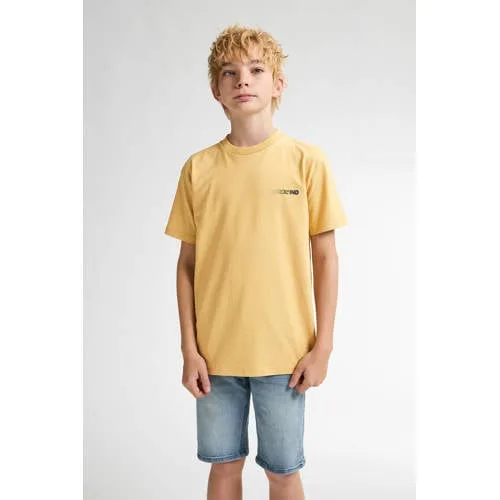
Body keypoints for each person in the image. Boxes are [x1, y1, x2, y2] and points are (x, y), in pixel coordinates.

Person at [164, 24, 348, 500]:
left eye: (256, 69)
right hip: (215, 357)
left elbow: (325, 257)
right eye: (229, 72)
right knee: (223, 468)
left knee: (283, 472)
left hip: (285, 357)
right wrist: (189, 350)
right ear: (216, 90)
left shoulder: (306, 161)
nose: (242, 79)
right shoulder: (198, 169)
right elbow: (186, 266)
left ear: (278, 84)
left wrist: (323, 347)